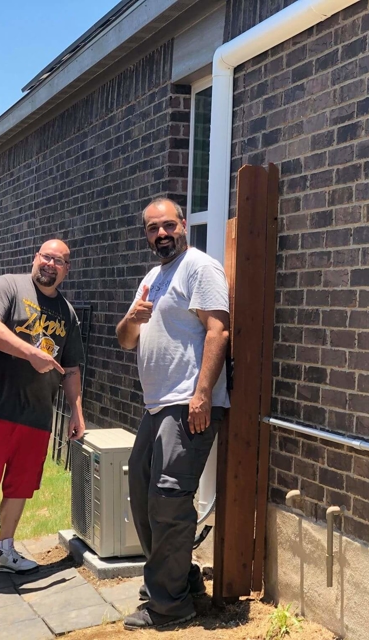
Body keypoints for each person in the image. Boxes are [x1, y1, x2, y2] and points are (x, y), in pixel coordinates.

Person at [116, 198, 230, 630]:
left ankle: (169, 607)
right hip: (156, 406)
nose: (161, 234)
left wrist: (202, 395)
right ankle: (180, 579)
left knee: (167, 501)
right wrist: (133, 317)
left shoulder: (201, 268)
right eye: (152, 228)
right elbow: (126, 340)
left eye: (168, 225)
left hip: (187, 404)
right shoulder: (153, 277)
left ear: (184, 225)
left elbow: (218, 329)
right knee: (144, 496)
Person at [0, 239, 85, 595]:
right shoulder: (9, 286)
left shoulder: (68, 313)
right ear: (35, 258)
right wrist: (32, 354)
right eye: (46, 256)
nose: (51, 264)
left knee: (20, 485)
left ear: (66, 270)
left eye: (59, 261)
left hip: (39, 414)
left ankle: (6, 549)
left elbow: (71, 367)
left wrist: (76, 412)